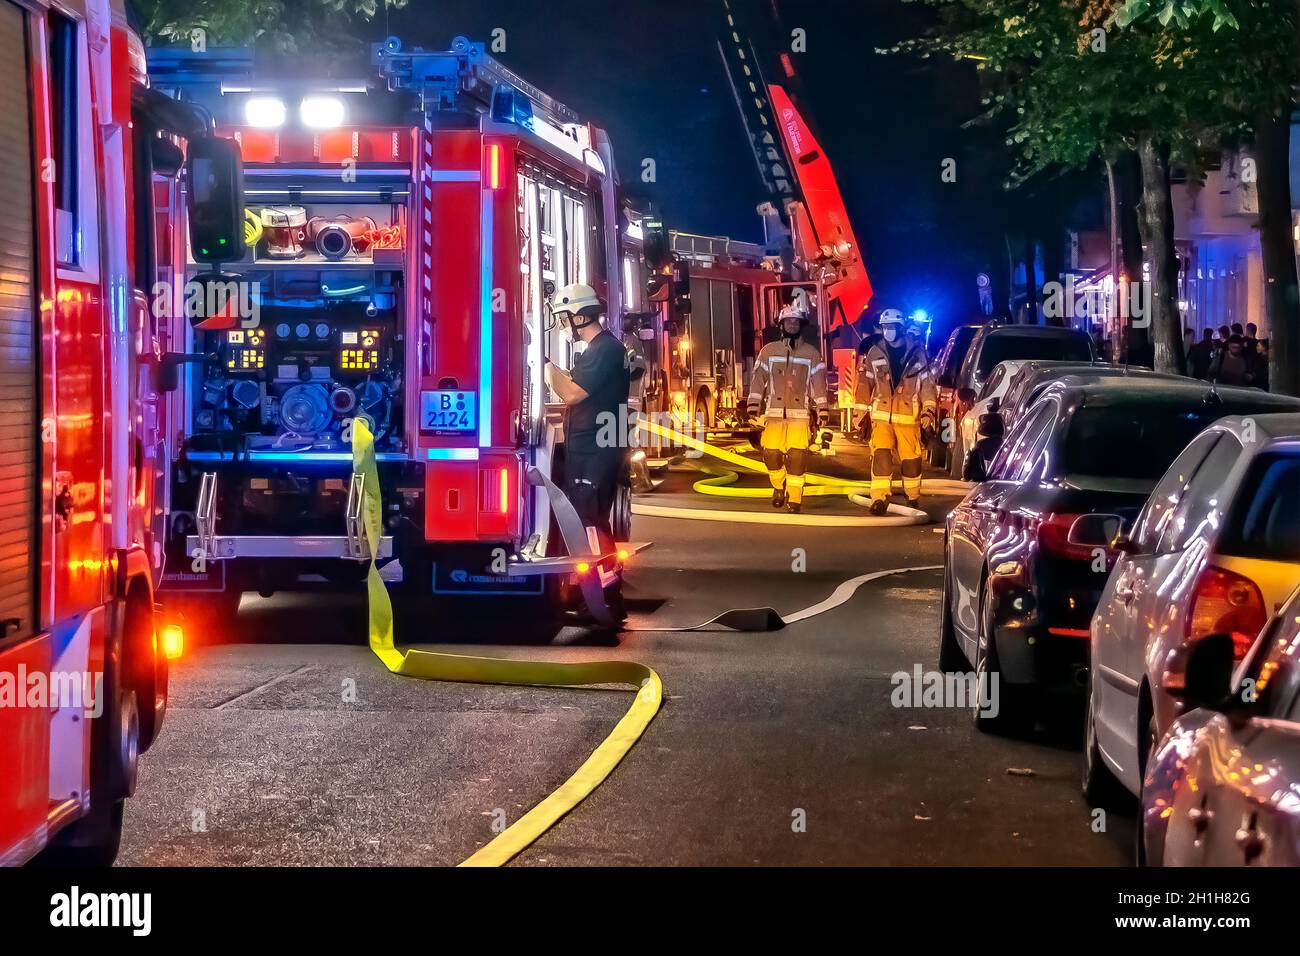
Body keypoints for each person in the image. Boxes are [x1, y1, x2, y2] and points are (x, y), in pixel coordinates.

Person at [543, 283, 632, 616]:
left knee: (589, 521)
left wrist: (544, 363)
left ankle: (604, 595)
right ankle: (601, 591)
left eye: (565, 319)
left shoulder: (604, 350)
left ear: (580, 316)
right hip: (595, 448)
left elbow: (572, 393)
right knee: (591, 519)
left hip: (595, 450)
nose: (564, 326)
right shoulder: (601, 350)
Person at [745, 303, 830, 515]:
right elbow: (758, 380)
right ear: (781, 324)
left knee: (797, 457)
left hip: (800, 416)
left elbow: (819, 384)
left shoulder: (811, 354)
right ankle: (778, 486)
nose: (792, 324)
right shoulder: (768, 351)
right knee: (771, 456)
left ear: (801, 325)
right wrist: (753, 404)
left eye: (796, 321)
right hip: (773, 414)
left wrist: (822, 409)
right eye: (788, 321)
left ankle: (794, 499)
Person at [853, 308, 937, 514]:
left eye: (892, 327)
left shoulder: (917, 353)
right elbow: (865, 385)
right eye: (885, 327)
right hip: (881, 417)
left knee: (911, 461)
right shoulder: (875, 352)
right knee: (881, 456)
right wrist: (860, 414)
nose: (888, 331)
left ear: (901, 328)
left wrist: (929, 411)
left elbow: (927, 385)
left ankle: (912, 497)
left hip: (909, 417)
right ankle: (879, 499)